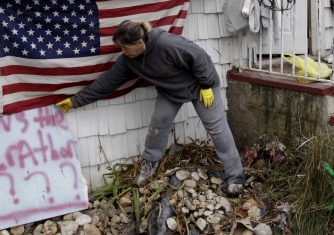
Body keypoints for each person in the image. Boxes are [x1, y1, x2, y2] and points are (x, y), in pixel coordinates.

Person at [56, 20, 246, 196]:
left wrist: (206, 85)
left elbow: (199, 57)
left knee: (216, 128)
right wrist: (75, 101)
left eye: (125, 47)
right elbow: (106, 82)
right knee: (158, 124)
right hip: (171, 91)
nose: (122, 51)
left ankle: (236, 176)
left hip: (201, 87)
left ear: (139, 42)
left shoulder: (168, 44)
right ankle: (150, 163)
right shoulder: (128, 60)